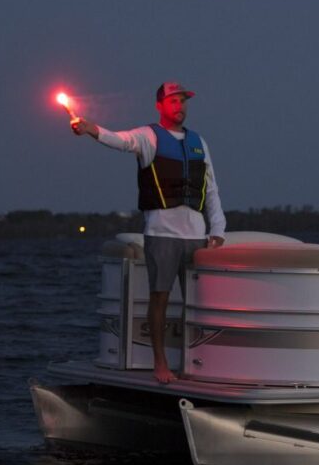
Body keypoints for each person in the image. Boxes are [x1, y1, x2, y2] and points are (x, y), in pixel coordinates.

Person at [69, 82, 226, 383]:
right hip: (162, 233)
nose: (179, 106)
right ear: (160, 105)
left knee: (196, 304)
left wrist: (218, 229)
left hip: (196, 236)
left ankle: (194, 363)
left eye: (183, 101)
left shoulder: (198, 142)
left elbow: (212, 188)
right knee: (160, 298)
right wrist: (90, 128)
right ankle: (160, 363)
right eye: (173, 101)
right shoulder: (147, 136)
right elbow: (119, 140)